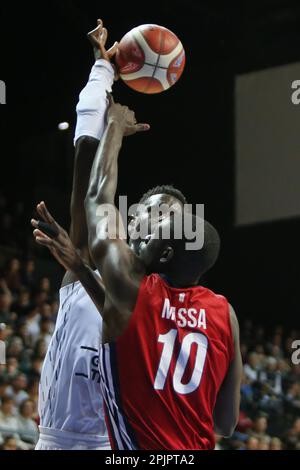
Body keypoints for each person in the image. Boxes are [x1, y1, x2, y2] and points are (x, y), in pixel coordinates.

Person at [33, 97, 242, 449]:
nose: (162, 223)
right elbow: (226, 422)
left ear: (171, 249)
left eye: (171, 220)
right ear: (132, 218)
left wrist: (113, 122)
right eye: (159, 213)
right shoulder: (221, 312)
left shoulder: (133, 287)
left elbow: (96, 197)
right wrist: (82, 269)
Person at [32, 18, 118, 450]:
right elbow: (85, 156)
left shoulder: (151, 302)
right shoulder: (86, 275)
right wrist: (102, 72)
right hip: (56, 439)